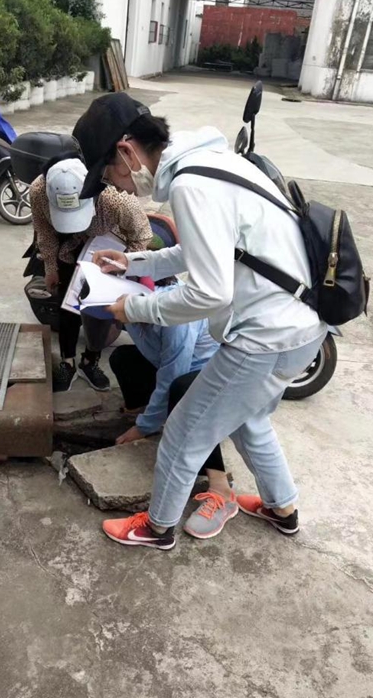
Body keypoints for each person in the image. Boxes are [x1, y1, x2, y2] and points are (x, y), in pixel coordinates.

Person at [72, 92, 327, 550]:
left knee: (182, 435)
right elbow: (199, 251)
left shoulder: (191, 186)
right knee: (250, 421)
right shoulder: (212, 162)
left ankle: (157, 529)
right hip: (303, 327)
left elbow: (209, 293)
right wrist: (132, 263)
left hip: (266, 337)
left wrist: (132, 308)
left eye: (110, 175)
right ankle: (283, 509)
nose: (118, 189)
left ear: (127, 151)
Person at [110, 280, 238, 540]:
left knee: (183, 394)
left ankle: (220, 486)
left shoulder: (177, 317)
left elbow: (173, 374)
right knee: (122, 358)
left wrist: (143, 427)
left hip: (211, 374)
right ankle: (153, 411)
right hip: (182, 366)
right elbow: (159, 357)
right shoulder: (129, 307)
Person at [30, 156, 152, 393]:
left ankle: (90, 360)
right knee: (68, 304)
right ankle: (67, 361)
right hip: (68, 249)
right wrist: (51, 268)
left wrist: (124, 267)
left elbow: (142, 235)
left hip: (109, 253)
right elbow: (44, 231)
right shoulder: (38, 191)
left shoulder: (116, 197)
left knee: (99, 308)